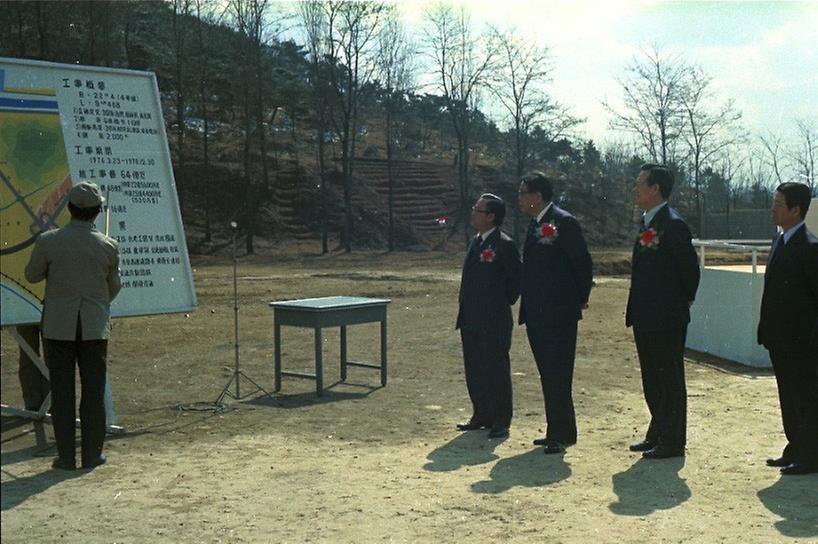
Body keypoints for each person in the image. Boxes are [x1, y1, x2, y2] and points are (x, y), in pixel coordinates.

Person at [25, 181, 121, 471]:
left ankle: (66, 457)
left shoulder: (48, 241)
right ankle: (92, 454)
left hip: (58, 327)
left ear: (69, 209)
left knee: (62, 391)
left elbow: (31, 276)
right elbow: (113, 288)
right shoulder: (108, 245)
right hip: (93, 327)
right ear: (96, 212)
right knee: (93, 390)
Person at [626, 164, 699, 459]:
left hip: (666, 317)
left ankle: (673, 441)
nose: (636, 189)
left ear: (655, 188)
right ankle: (658, 431)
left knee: (668, 379)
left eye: (640, 183)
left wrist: (681, 301)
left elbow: (690, 271)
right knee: (652, 379)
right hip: (645, 315)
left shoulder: (673, 224)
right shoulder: (647, 222)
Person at [518, 172, 593, 454]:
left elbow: (581, 262)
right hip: (537, 311)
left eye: (524, 193)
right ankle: (557, 429)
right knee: (548, 373)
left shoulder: (564, 222)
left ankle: (561, 434)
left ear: (537, 197)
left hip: (559, 312)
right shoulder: (534, 224)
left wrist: (581, 297)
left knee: (559, 373)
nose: (521, 199)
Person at [757, 182, 818, 475]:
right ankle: (795, 448)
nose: (773, 209)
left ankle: (810, 456)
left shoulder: (810, 248)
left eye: (779, 205)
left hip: (802, 342)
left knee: (805, 399)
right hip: (778, 338)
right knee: (788, 397)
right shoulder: (778, 241)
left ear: (795, 210)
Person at [455, 193, 521, 439]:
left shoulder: (504, 244)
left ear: (491, 216)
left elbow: (515, 284)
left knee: (496, 370)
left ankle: (501, 420)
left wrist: (495, 303)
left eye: (478, 210)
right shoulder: (476, 242)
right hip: (470, 319)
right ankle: (481, 414)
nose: (473, 212)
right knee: (475, 368)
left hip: (494, 320)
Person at [15, 324, 50, 411]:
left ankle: (50, 401)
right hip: (24, 314)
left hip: (52, 315)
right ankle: (32, 402)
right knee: (27, 356)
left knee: (53, 359)